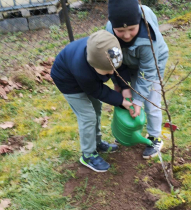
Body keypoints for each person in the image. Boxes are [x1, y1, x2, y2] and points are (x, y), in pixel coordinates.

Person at [50, 30, 133, 172]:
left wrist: (125, 86)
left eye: (113, 69)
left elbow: (120, 69)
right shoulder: (82, 69)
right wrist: (120, 101)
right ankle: (88, 154)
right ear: (93, 65)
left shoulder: (110, 52)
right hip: (67, 81)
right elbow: (97, 91)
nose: (112, 74)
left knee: (96, 107)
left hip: (85, 77)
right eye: (106, 71)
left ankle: (97, 143)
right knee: (87, 116)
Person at [106, 0, 169, 159]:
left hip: (154, 62)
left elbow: (148, 72)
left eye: (132, 29)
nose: (126, 35)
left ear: (139, 21)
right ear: (113, 26)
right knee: (127, 97)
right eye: (120, 31)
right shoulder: (108, 34)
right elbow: (115, 62)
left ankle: (155, 137)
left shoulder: (148, 38)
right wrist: (121, 84)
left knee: (151, 99)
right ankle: (127, 132)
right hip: (127, 63)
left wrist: (139, 101)